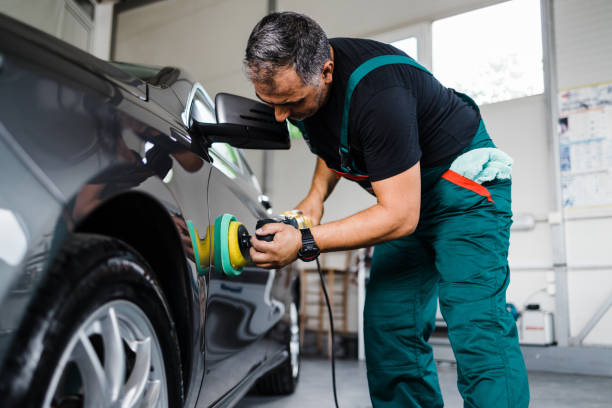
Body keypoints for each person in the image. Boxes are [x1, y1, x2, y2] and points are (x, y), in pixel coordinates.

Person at [245, 11, 529, 408]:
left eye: (291, 103)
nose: (280, 116)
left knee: (476, 326)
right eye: (269, 102)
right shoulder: (311, 90)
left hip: (462, 190)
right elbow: (336, 140)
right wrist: (315, 197)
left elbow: (399, 216)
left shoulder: (379, 93)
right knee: (390, 327)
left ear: (326, 71)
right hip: (405, 198)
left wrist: (305, 241)